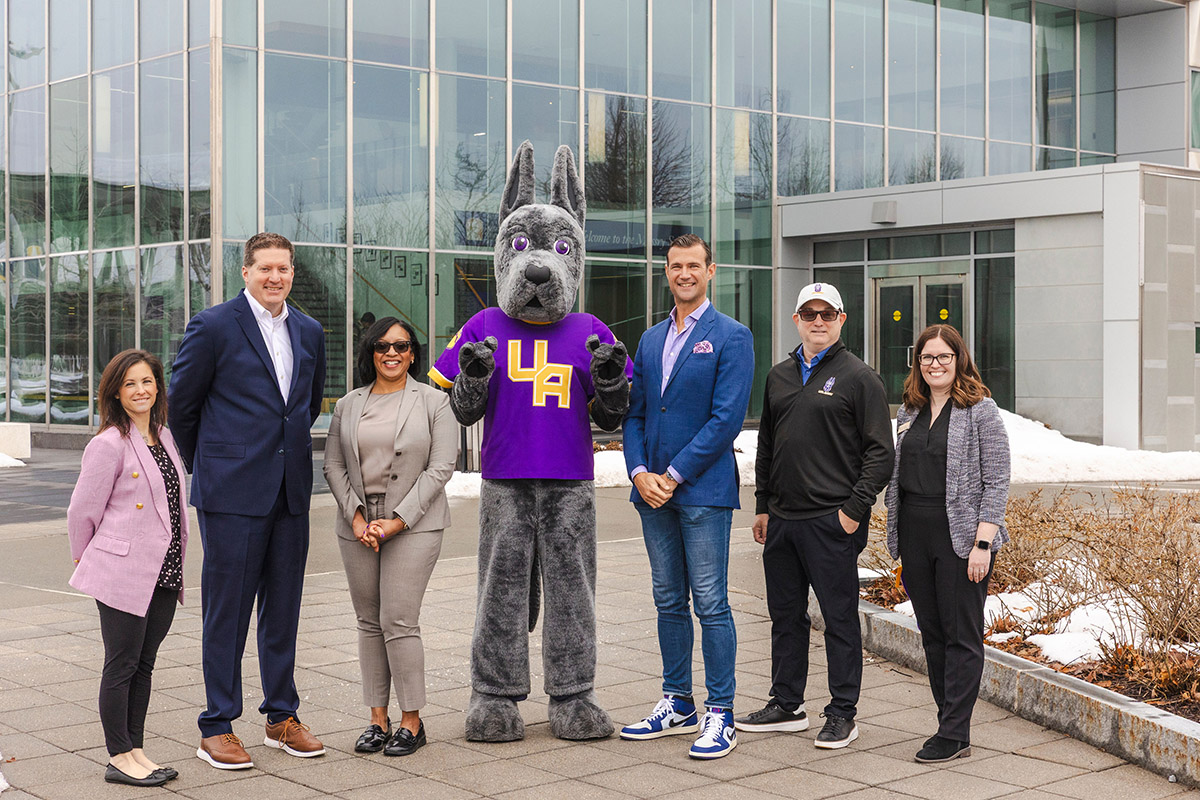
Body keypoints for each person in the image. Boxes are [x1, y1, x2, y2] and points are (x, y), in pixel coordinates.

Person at [168, 232, 327, 769]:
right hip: (231, 493)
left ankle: (281, 717)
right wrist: (212, 466)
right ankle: (217, 724)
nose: (275, 277)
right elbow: (182, 408)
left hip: (291, 492)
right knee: (228, 613)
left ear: (292, 272)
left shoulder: (309, 330)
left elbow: (303, 407)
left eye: (283, 268)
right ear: (245, 271)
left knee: (282, 611)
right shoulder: (213, 326)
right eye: (265, 268)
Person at [619, 234, 754, 760]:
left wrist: (672, 475)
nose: (684, 274)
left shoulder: (732, 336)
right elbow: (636, 414)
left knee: (711, 602)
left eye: (693, 265)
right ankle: (677, 702)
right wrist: (638, 473)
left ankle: (721, 712)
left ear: (710, 271)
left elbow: (726, 420)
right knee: (668, 600)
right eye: (676, 266)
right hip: (652, 494)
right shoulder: (650, 339)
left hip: (703, 492)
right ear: (667, 272)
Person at [742, 282, 893, 749]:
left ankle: (843, 712)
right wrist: (763, 505)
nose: (818, 321)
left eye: (827, 314)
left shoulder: (860, 378)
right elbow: (767, 445)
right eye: (809, 314)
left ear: (841, 319)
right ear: (797, 321)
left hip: (832, 522)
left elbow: (881, 454)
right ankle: (787, 704)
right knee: (785, 617)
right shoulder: (779, 376)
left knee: (839, 620)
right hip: (782, 521)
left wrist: (853, 511)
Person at [323, 317, 457, 757]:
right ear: (371, 353)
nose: (391, 353)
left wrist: (398, 520)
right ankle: (377, 720)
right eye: (382, 346)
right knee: (368, 621)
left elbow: (441, 467)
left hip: (414, 523)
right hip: (359, 524)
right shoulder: (348, 404)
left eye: (400, 346)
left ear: (413, 353)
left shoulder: (435, 402)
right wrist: (356, 516)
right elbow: (333, 465)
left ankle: (411, 722)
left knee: (398, 619)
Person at [884, 324, 1010, 763]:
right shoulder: (910, 411)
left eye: (943, 357)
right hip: (915, 534)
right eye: (926, 357)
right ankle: (948, 722)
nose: (934, 364)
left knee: (961, 635)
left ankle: (955, 733)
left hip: (961, 537)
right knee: (933, 634)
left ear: (959, 359)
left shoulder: (981, 411)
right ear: (917, 363)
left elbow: (997, 480)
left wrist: (983, 543)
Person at [68, 350, 188, 787]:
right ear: (115, 393)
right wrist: (89, 561)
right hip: (122, 570)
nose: (140, 390)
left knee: (145, 664)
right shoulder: (108, 443)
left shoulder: (164, 436)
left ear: (158, 387)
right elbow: (81, 511)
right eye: (130, 384)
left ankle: (136, 750)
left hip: (164, 566)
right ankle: (118, 756)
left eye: (147, 381)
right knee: (121, 664)